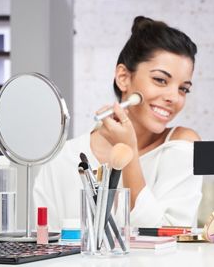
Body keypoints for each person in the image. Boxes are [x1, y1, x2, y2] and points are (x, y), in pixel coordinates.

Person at [33, 16, 203, 230]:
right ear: (123, 77)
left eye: (183, 89)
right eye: (160, 80)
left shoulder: (182, 146)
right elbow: (45, 243)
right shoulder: (63, 158)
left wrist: (128, 152)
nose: (174, 97)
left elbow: (171, 235)